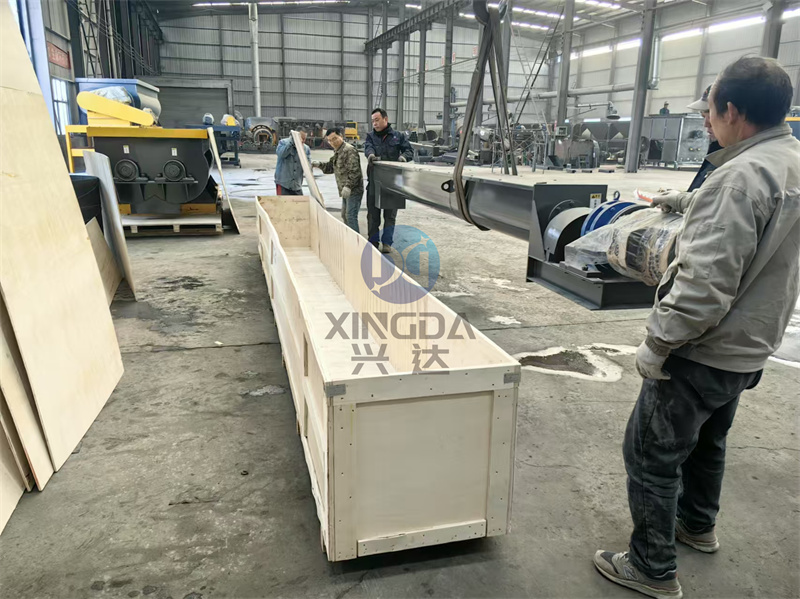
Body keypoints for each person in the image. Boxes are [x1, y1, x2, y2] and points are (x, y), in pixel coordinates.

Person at [594, 56, 799, 599]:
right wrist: (686, 201)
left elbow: (705, 286)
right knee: (709, 440)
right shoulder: (789, 161)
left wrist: (658, 343)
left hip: (703, 349)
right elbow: (758, 215)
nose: (705, 120)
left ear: (732, 110)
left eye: (709, 110)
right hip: (750, 347)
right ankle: (697, 525)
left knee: (650, 455)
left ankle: (652, 568)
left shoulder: (737, 178)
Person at [364, 107, 413, 253]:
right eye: (373, 121)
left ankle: (387, 243)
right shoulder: (370, 136)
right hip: (375, 180)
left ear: (385, 119)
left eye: (377, 120)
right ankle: (373, 242)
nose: (374, 123)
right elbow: (368, 147)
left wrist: (403, 158)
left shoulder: (398, 136)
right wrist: (370, 155)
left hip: (393, 181)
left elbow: (409, 150)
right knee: (373, 214)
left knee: (390, 215)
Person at [311, 128, 364, 232]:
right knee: (344, 215)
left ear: (341, 136)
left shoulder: (349, 150)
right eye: (330, 140)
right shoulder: (338, 151)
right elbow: (330, 167)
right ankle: (349, 236)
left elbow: (355, 171)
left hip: (353, 190)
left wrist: (348, 186)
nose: (332, 142)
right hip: (345, 190)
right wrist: (319, 165)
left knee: (350, 216)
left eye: (335, 139)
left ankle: (355, 240)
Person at [686, 85, 722, 191]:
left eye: (710, 116)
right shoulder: (717, 150)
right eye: (704, 117)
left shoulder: (741, 164)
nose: (706, 124)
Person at [274, 126, 311, 195]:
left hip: (297, 185)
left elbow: (308, 167)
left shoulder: (306, 149)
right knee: (283, 202)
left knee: (299, 201)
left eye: (305, 139)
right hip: (283, 184)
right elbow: (281, 154)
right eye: (301, 138)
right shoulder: (283, 143)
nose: (303, 141)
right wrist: (292, 142)